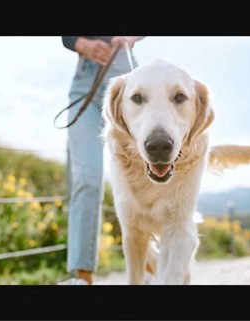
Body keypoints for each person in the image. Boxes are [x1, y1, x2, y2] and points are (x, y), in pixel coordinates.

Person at [58, 36, 142, 285]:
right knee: (86, 176)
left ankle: (149, 263)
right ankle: (83, 277)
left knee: (140, 176)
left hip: (125, 75)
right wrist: (83, 44)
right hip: (85, 81)